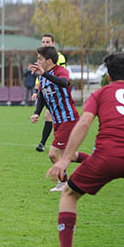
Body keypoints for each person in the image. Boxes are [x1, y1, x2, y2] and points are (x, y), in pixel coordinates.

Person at [40, 52, 124, 247]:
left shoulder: (100, 94)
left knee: (69, 193)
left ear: (108, 76)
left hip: (106, 158)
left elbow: (84, 124)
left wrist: (65, 160)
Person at [29, 46, 89, 192]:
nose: (38, 61)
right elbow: (43, 95)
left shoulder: (60, 71)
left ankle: (64, 183)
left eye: (40, 59)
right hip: (58, 121)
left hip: (68, 119)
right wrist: (37, 112)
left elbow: (64, 83)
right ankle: (96, 163)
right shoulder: (43, 76)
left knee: (53, 154)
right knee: (69, 155)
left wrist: (45, 74)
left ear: (49, 61)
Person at [33, 34, 67, 152]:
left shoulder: (59, 58)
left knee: (50, 116)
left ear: (53, 43)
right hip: (48, 93)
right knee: (50, 116)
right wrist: (36, 90)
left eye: (47, 42)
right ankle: (44, 143)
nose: (45, 44)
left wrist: (46, 76)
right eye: (43, 42)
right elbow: (40, 79)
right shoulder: (41, 59)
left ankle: (45, 143)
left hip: (58, 96)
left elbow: (62, 78)